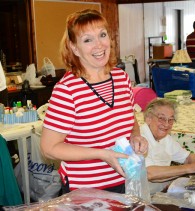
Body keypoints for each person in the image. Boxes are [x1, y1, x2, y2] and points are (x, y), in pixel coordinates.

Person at [40, 9, 148, 194]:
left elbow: (131, 120)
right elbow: (49, 148)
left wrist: (135, 136)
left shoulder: (122, 78)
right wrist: (102, 154)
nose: (99, 45)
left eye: (102, 35)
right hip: (86, 189)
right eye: (87, 40)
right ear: (74, 48)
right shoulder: (67, 90)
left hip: (127, 180)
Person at [140, 98, 195, 194]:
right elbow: (150, 173)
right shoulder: (140, 138)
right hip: (142, 195)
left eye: (171, 120)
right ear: (148, 118)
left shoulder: (166, 139)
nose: (166, 124)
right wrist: (191, 167)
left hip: (161, 189)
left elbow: (187, 158)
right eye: (161, 118)